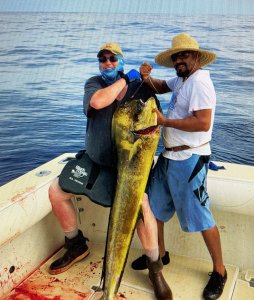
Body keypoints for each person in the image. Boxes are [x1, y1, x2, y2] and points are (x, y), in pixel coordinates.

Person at [48, 42, 172, 300]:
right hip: (94, 163)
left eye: (113, 59)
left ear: (121, 60)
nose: (107, 64)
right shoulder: (94, 84)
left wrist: (144, 82)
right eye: (103, 59)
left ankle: (155, 269)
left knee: (143, 209)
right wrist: (125, 78)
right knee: (56, 191)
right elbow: (97, 102)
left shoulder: (141, 89)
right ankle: (75, 245)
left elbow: (155, 120)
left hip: (127, 168)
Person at [131, 33, 227, 300]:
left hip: (190, 159)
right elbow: (161, 86)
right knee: (154, 208)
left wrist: (164, 122)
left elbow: (203, 122)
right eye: (176, 57)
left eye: (184, 55)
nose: (179, 60)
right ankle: (160, 255)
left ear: (196, 57)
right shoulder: (183, 79)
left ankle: (219, 271)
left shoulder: (200, 82)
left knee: (202, 217)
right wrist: (145, 77)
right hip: (168, 158)